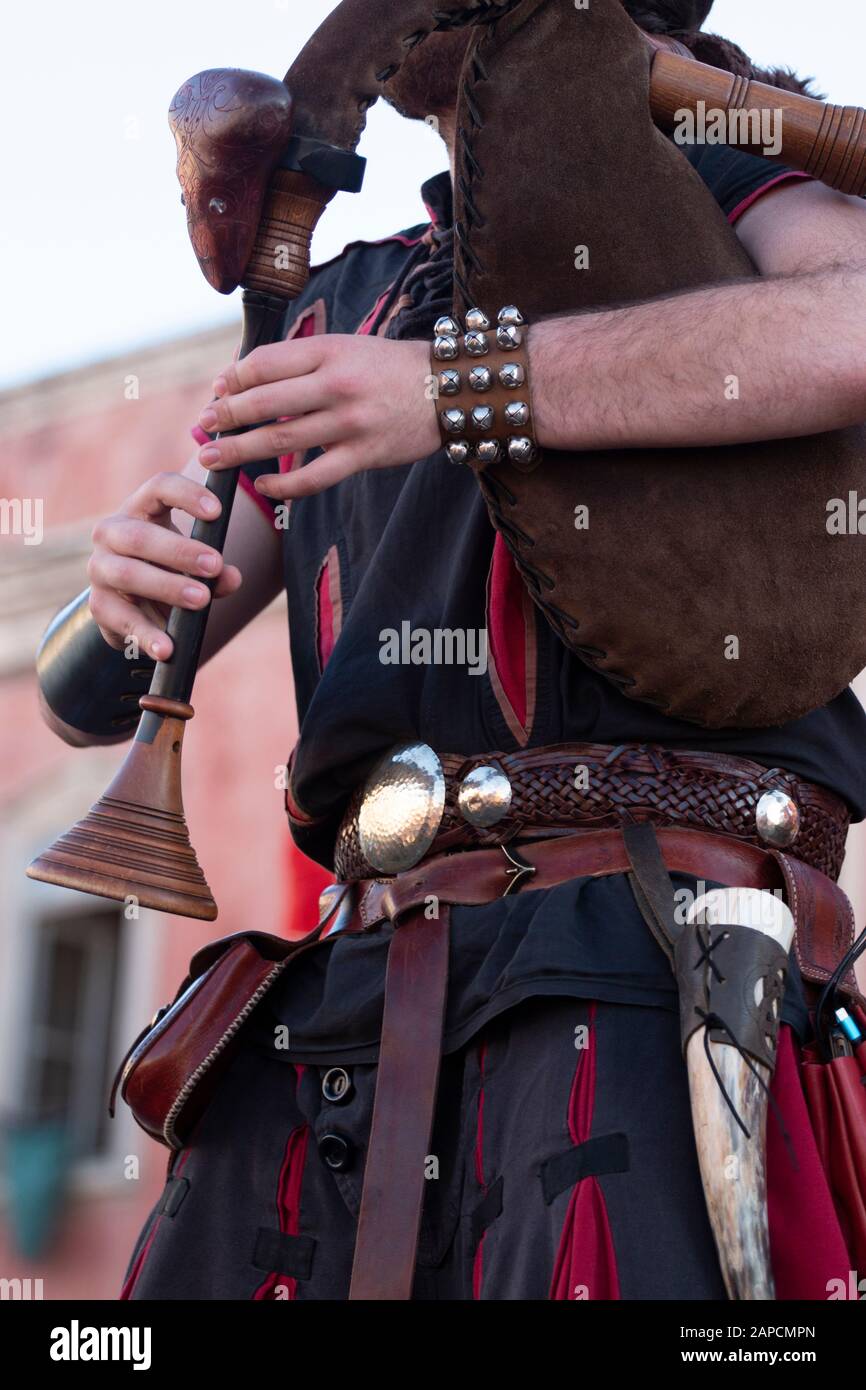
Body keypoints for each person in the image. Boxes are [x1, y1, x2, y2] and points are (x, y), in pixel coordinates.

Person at [40, 0, 866, 1300]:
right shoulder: (346, 298)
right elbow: (89, 686)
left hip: (646, 950)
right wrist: (112, 588)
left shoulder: (715, 185)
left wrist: (454, 390)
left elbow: (856, 324)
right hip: (357, 992)